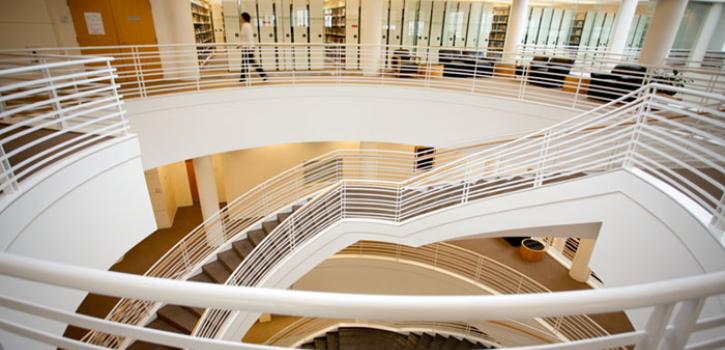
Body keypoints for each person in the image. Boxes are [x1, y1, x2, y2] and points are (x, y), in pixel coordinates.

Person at [239, 12, 267, 83]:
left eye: (241, 17)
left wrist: (251, 47)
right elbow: (245, 38)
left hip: (247, 48)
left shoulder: (246, 26)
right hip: (246, 48)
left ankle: (263, 75)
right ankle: (243, 78)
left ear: (244, 18)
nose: (240, 18)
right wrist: (240, 44)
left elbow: (249, 37)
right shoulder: (246, 25)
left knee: (250, 62)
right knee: (246, 63)